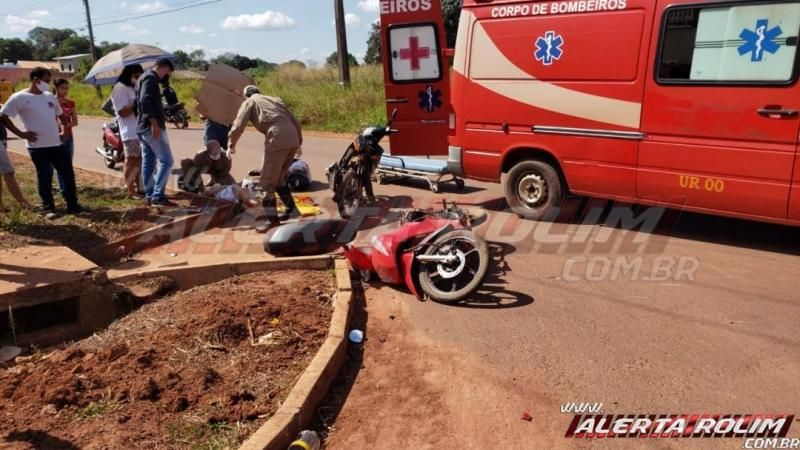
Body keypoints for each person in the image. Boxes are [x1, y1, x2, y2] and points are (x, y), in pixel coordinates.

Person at [0, 67, 82, 215]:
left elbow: (60, 114)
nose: (48, 84)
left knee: (67, 174)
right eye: (46, 80)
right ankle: (48, 207)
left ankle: (73, 205)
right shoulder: (19, 97)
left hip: (57, 144)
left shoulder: (49, 96)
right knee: (44, 176)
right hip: (37, 146)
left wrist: (64, 129)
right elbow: (3, 116)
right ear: (36, 80)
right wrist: (21, 133)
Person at [229, 85, 303, 233]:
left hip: (277, 137)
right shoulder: (276, 100)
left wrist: (231, 144)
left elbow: (238, 125)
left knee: (266, 185)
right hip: (292, 137)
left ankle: (272, 221)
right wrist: (298, 142)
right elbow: (295, 122)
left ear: (246, 95)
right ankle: (292, 209)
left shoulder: (250, 102)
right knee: (279, 179)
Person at [137, 58, 175, 207]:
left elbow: (145, 102)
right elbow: (144, 101)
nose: (166, 76)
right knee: (167, 161)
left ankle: (150, 194)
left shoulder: (143, 77)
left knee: (149, 162)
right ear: (164, 69)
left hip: (142, 126)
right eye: (167, 73)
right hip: (150, 127)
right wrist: (154, 124)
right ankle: (157, 196)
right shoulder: (151, 79)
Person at [111, 64, 144, 198]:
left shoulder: (133, 88)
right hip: (130, 131)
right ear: (130, 74)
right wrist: (136, 104)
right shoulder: (120, 88)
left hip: (139, 130)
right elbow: (122, 112)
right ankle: (130, 190)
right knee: (131, 160)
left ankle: (138, 187)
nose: (138, 78)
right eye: (137, 75)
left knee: (138, 160)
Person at [0, 117, 33, 213]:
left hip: (2, 140)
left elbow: (3, 118)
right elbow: (3, 117)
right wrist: (21, 134)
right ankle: (22, 202)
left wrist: (21, 134)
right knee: (8, 172)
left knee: (5, 173)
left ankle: (1, 206)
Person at [54, 78, 78, 196]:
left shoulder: (70, 103)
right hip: (54, 138)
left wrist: (65, 125)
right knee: (59, 165)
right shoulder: (51, 102)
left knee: (68, 164)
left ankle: (68, 190)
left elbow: (75, 122)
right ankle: (63, 189)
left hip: (68, 136)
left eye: (67, 88)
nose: (65, 91)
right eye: (62, 88)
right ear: (56, 88)